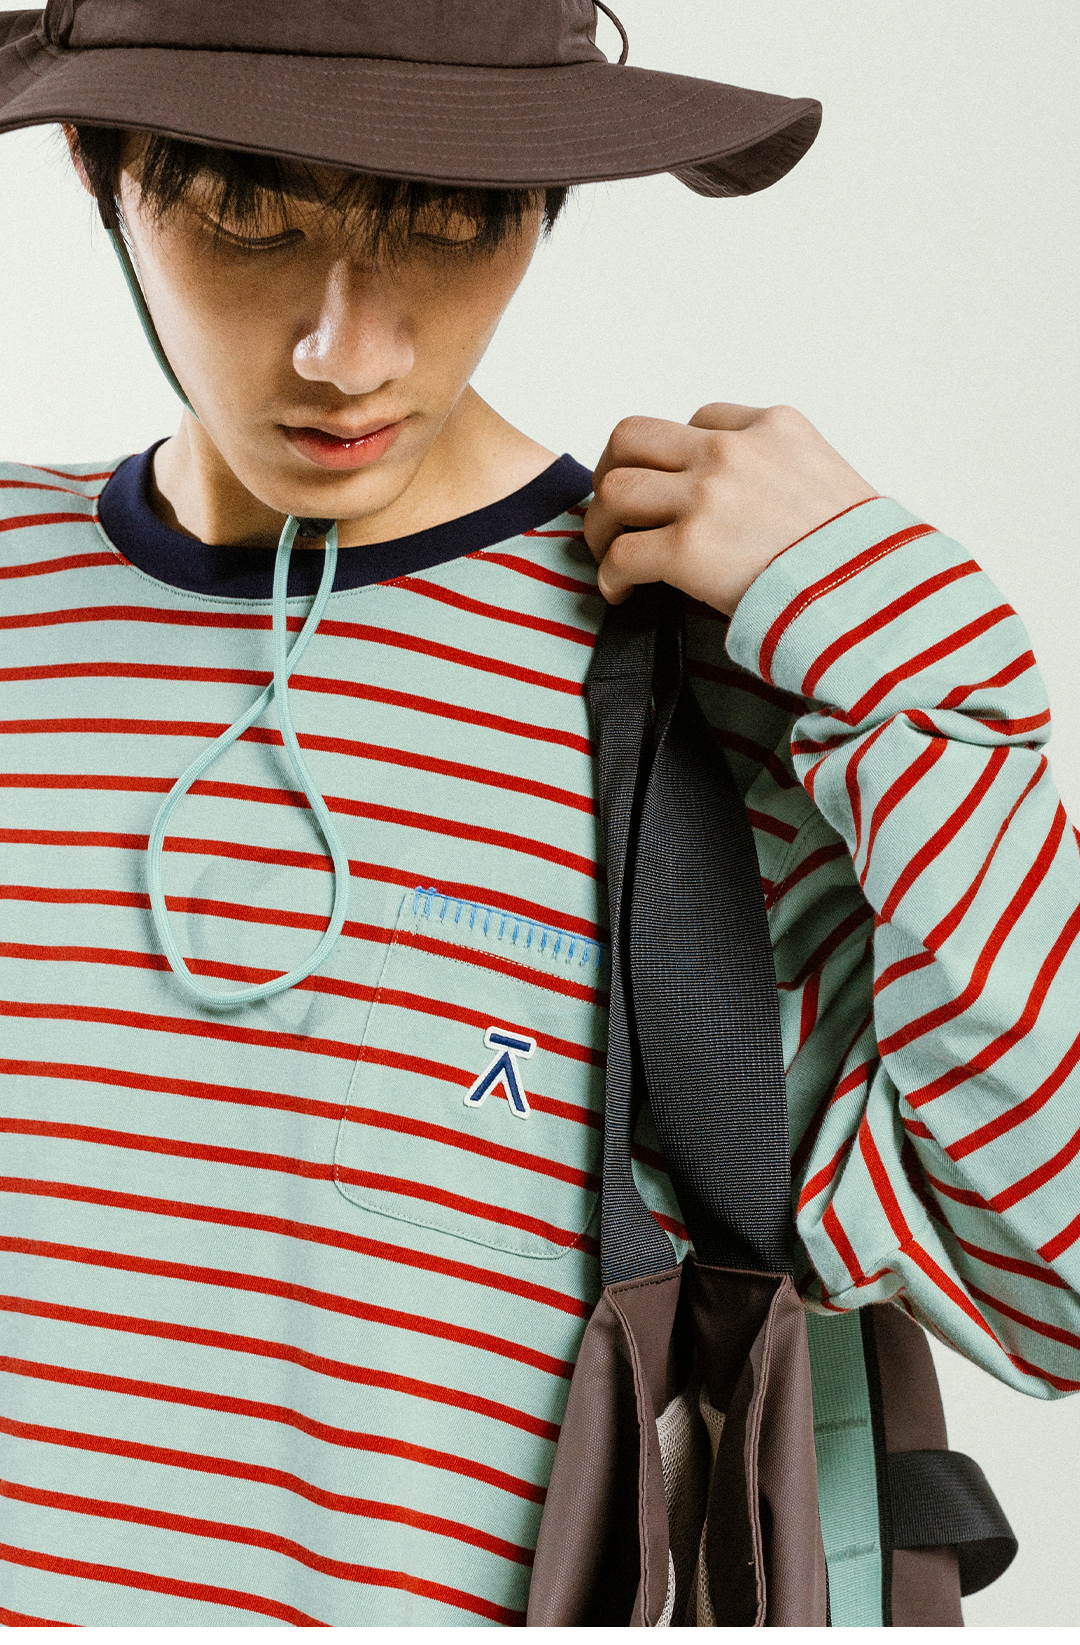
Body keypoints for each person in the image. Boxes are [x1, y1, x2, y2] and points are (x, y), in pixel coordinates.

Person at [1, 0, 1077, 1628]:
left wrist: (923, 670)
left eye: (447, 222)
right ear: (101, 165)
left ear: (545, 195)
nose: (348, 350)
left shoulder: (700, 708)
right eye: (250, 216)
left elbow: (1052, 1281)